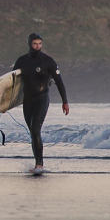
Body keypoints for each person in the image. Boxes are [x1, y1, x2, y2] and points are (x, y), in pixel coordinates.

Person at [11, 32, 69, 173]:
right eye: (35, 44)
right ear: (30, 44)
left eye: (40, 44)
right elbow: (12, 84)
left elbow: (59, 82)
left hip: (42, 99)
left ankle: (39, 164)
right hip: (27, 100)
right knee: (33, 132)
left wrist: (65, 101)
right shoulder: (21, 61)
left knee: (36, 129)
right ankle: (37, 163)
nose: (38, 46)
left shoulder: (48, 61)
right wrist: (5, 104)